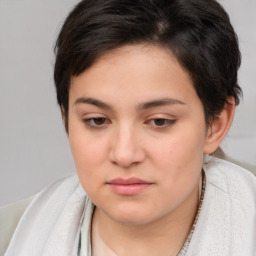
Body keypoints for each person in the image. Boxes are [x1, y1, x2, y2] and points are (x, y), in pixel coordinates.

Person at [1, 0, 256, 255]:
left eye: (159, 121)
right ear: (66, 119)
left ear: (216, 125)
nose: (124, 154)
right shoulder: (11, 236)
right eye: (97, 120)